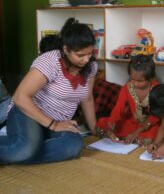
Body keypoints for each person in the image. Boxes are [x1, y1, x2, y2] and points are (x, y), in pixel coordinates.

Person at [0, 18, 98, 164]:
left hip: (58, 122)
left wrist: (96, 130)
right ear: (66, 49)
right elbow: (20, 97)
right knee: (25, 149)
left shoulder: (91, 67)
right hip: (28, 114)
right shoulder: (50, 61)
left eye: (89, 54)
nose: (86, 60)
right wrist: (53, 125)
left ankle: (22, 151)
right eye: (80, 55)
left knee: (74, 146)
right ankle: (24, 151)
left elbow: (87, 98)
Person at [96, 54, 160, 146]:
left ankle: (136, 137)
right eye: (132, 79)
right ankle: (124, 136)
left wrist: (138, 131)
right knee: (103, 123)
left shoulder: (157, 89)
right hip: (132, 122)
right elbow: (118, 109)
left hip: (149, 124)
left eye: (140, 81)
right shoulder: (127, 88)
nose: (135, 84)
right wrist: (111, 127)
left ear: (150, 78)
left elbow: (156, 116)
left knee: (153, 133)